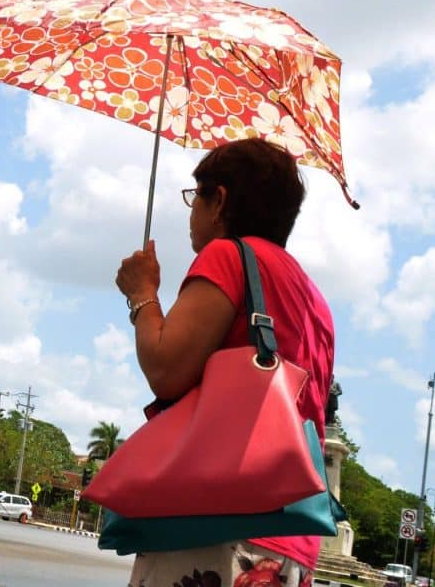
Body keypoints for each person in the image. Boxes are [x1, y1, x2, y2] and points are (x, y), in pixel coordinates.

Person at [115, 138, 335, 587]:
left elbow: (166, 370)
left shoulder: (227, 256)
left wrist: (143, 295)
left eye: (196, 197)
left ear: (220, 202)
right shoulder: (313, 297)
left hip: (219, 523)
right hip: (290, 538)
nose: (192, 212)